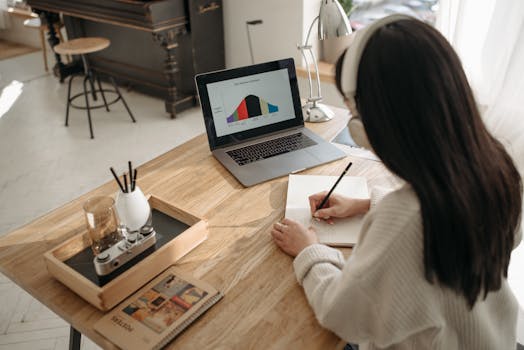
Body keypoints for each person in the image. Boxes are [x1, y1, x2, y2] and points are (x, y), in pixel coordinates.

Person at [271, 14, 522, 350]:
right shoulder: (499, 169)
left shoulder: (404, 220)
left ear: (374, 123)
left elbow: (340, 313)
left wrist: (309, 249)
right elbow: (445, 217)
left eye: (354, 113)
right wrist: (364, 204)